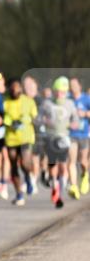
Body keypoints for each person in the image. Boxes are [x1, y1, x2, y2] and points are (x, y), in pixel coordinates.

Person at [40, 77, 79, 208]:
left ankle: (59, 194)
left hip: (64, 138)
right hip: (50, 138)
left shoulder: (70, 104)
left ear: (66, 92)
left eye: (62, 92)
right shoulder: (47, 103)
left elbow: (76, 121)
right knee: (53, 166)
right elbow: (38, 119)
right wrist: (44, 121)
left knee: (63, 166)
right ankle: (54, 185)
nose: (59, 94)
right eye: (57, 91)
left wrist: (74, 124)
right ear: (54, 91)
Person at [2, 77, 38, 206]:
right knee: (13, 165)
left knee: (25, 163)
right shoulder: (5, 102)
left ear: (21, 89)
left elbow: (35, 116)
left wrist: (26, 120)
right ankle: (19, 194)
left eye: (17, 88)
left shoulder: (29, 101)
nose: (15, 91)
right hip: (11, 138)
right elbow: (3, 117)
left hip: (25, 137)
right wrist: (10, 122)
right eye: (12, 89)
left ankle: (28, 176)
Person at [67, 77, 89, 198]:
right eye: (71, 85)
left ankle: (85, 175)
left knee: (83, 162)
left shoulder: (86, 99)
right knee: (72, 161)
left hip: (84, 134)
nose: (73, 87)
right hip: (71, 134)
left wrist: (85, 114)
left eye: (75, 85)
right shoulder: (68, 100)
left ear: (80, 86)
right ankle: (74, 186)